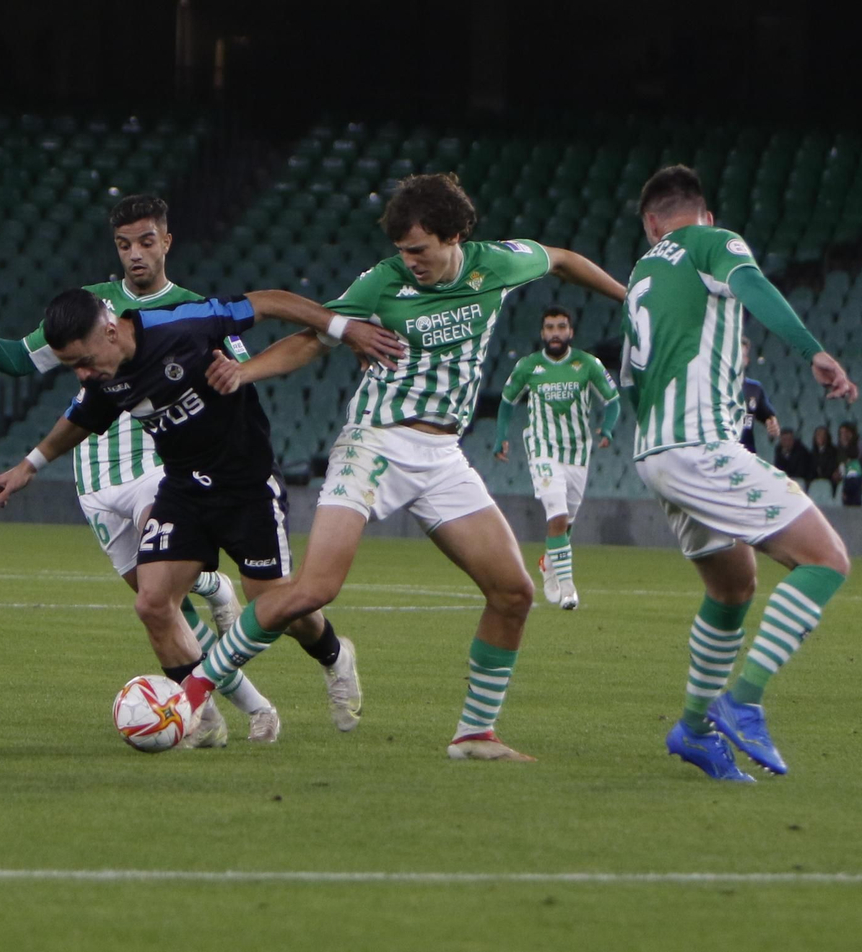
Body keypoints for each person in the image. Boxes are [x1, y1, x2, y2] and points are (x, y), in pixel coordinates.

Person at [182, 172, 629, 762]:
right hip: (374, 444)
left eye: (418, 249)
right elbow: (315, 337)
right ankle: (192, 691)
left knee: (514, 591)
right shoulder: (381, 281)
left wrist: (630, 300)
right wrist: (245, 371)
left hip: (443, 458)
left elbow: (564, 259)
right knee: (315, 589)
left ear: (454, 235)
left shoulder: (497, 264)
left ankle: (474, 735)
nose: (409, 261)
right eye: (401, 250)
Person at [0, 288, 406, 738]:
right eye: (72, 367)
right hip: (183, 488)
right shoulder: (103, 377)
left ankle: (335, 655)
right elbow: (81, 419)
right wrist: (28, 467)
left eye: (83, 361)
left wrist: (342, 328)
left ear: (110, 331)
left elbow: (265, 302)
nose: (82, 374)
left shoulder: (181, 326)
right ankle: (196, 721)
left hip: (246, 487)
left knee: (273, 607)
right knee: (152, 602)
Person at [0, 194, 269, 746]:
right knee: (162, 613)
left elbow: (239, 371)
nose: (135, 254)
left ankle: (243, 690)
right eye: (124, 245)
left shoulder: (192, 309)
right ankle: (212, 716)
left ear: (166, 242)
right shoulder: (87, 308)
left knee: (161, 597)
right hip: (94, 480)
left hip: (157, 468)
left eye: (145, 242)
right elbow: (20, 359)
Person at [622, 165, 857, 783]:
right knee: (826, 560)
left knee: (732, 588)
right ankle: (743, 701)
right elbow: (752, 285)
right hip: (699, 444)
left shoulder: (642, 275)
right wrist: (813, 351)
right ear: (705, 213)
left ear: (650, 224)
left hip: (655, 450)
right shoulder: (712, 240)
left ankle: (694, 731)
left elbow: (632, 383)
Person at [493, 304, 621, 609]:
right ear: (542, 333)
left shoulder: (587, 364)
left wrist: (607, 427)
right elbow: (507, 401)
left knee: (566, 524)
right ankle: (568, 589)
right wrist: (501, 436)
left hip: (577, 452)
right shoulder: (528, 366)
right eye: (550, 327)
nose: (555, 333)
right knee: (558, 515)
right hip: (542, 450)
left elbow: (613, 401)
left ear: (570, 332)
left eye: (561, 327)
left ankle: (549, 564)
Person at [737, 336, 780, 454]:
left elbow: (768, 416)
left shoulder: (755, 389)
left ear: (746, 360)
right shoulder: (715, 387)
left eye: (742, 356)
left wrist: (773, 424)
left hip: (745, 452)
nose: (738, 359)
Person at [836, 422, 862, 505]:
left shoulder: (861, 449)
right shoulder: (836, 451)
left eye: (847, 432)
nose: (844, 436)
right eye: (842, 433)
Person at [810, 425, 838, 489]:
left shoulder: (833, 451)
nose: (821, 437)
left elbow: (831, 469)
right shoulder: (812, 453)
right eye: (818, 435)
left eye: (823, 435)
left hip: (829, 482)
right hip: (815, 482)